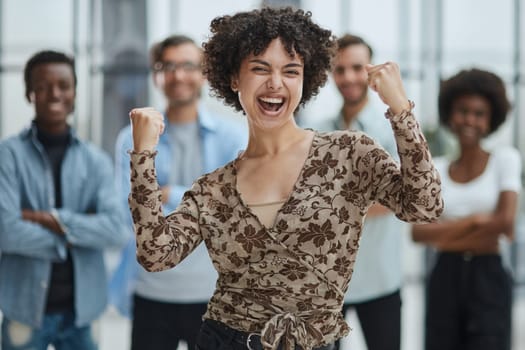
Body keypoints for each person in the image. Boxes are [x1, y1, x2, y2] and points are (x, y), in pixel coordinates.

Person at [128, 7, 443, 350]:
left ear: (305, 78)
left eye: (290, 71)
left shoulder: (347, 153)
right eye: (260, 69)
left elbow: (424, 206)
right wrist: (142, 156)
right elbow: (156, 254)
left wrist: (401, 111)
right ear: (234, 77)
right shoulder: (213, 188)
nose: (275, 83)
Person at [109, 35, 247, 350]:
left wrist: (168, 194)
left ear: (204, 73)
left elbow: (235, 211)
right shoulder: (132, 138)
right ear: (156, 74)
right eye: (167, 66)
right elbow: (125, 210)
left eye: (187, 65)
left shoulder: (232, 136)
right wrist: (200, 201)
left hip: (216, 295)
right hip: (152, 293)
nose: (177, 75)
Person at [0, 50, 127, 350]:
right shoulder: (8, 156)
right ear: (29, 93)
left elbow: (115, 230)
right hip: (24, 309)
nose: (54, 94)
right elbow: (6, 231)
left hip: (83, 313)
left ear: (74, 92)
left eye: (63, 85)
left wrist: (50, 219)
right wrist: (72, 237)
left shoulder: (96, 161)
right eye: (43, 86)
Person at [412, 68, 521, 350]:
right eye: (463, 110)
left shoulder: (505, 160)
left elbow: (505, 223)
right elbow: (419, 233)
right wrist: (476, 222)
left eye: (479, 113)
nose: (470, 120)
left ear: (491, 119)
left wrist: (445, 232)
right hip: (444, 276)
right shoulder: (437, 168)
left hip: (488, 276)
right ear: (450, 113)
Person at [310, 34, 403, 350]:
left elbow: (394, 198)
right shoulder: (319, 130)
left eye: (356, 68)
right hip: (327, 285)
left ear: (371, 71)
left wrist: (334, 201)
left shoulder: (392, 130)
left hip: (379, 279)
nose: (348, 77)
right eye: (340, 69)